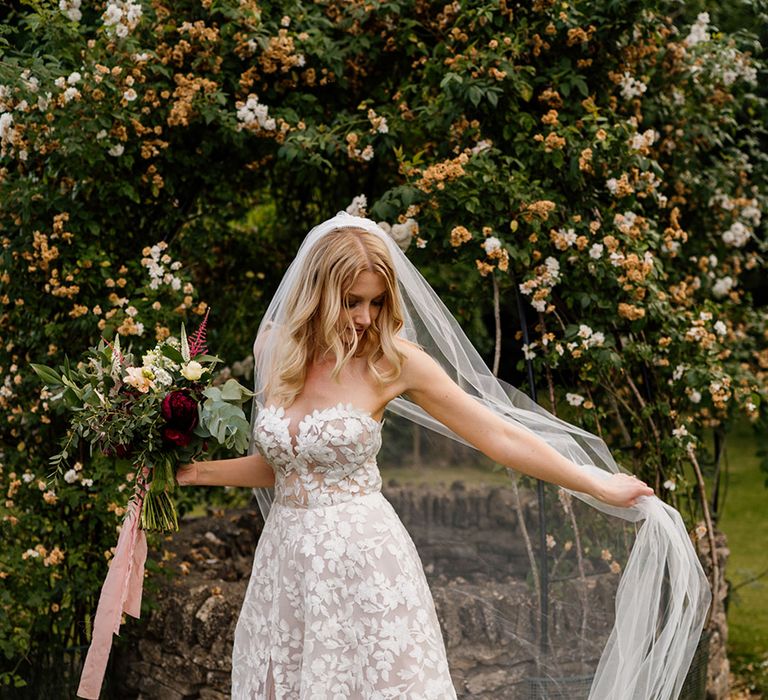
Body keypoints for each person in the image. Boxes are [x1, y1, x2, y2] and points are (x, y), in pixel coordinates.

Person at [176, 212, 709, 699]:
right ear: (317, 294)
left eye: (377, 301)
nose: (365, 317)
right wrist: (191, 472)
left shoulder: (395, 362)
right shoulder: (274, 350)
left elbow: (498, 436)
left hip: (364, 563)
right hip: (286, 562)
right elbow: (281, 466)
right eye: (352, 301)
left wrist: (592, 482)